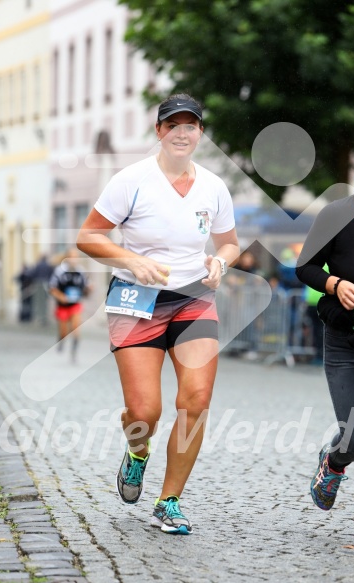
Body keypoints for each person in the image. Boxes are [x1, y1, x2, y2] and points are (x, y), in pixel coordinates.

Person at [76, 94, 239, 535]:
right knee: (144, 410)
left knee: (196, 401)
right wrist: (130, 261)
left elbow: (229, 241)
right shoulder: (131, 180)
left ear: (200, 133)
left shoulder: (213, 186)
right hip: (137, 299)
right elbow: (88, 236)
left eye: (191, 126)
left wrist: (219, 262)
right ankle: (137, 452)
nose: (182, 133)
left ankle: (169, 501)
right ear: (159, 132)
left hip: (192, 298)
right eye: (174, 125)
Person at [296, 127, 354, 547]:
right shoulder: (336, 214)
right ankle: (333, 463)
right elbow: (306, 268)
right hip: (347, 339)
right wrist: (335, 285)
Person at [48, 248, 91, 362]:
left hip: (75, 304)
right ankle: (61, 340)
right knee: (64, 332)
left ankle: (74, 352)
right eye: (72, 257)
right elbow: (52, 288)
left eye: (76, 257)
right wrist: (61, 296)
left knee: (76, 328)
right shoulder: (60, 271)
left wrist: (89, 289)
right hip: (62, 306)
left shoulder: (81, 271)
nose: (74, 260)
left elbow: (86, 287)